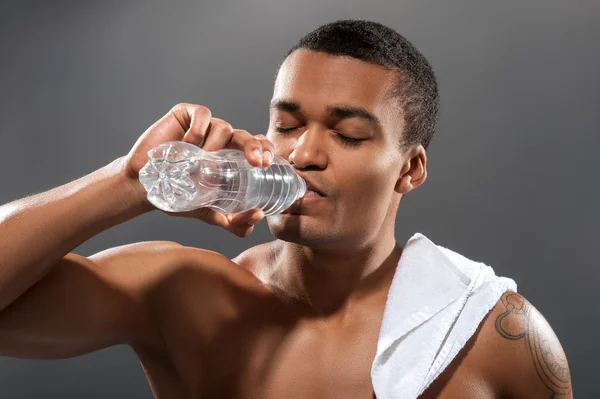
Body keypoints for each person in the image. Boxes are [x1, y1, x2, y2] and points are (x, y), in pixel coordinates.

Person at [0, 20, 572, 398]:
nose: (302, 153)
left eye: (348, 134)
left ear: (409, 169)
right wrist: (127, 182)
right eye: (287, 125)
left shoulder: (492, 332)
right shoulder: (186, 294)